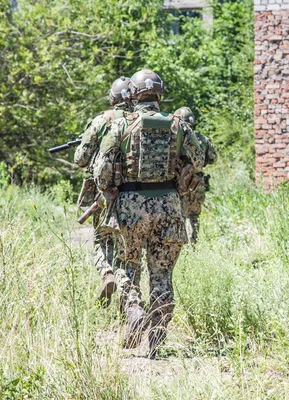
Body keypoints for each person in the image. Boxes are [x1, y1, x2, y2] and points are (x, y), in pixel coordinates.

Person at [93, 68, 205, 357]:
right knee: (163, 273)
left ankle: (133, 312)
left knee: (128, 266)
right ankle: (156, 337)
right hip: (169, 207)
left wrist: (110, 187)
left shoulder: (122, 126)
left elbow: (101, 170)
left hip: (130, 207)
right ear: (160, 95)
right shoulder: (179, 126)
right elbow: (199, 159)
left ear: (133, 95)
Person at [74, 76, 132, 306]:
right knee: (128, 247)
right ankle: (126, 298)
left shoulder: (102, 120)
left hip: (103, 195)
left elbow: (80, 159)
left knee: (102, 240)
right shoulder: (138, 120)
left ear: (113, 98)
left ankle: (107, 273)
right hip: (132, 194)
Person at [174, 107, 218, 244]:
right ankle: (193, 245)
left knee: (179, 215)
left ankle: (181, 244)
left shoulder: (176, 137)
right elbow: (213, 158)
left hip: (180, 182)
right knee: (193, 216)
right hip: (197, 183)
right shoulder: (202, 138)